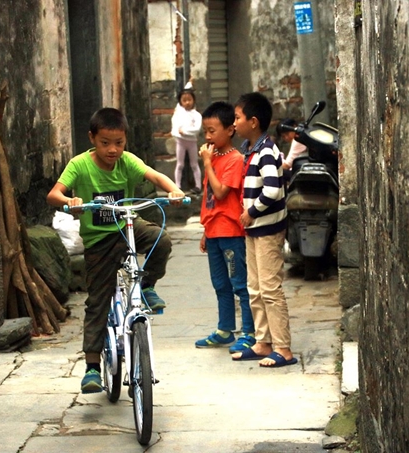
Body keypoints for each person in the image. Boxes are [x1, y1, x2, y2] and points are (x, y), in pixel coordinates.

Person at [47, 107, 185, 393]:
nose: (112, 150)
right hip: (98, 243)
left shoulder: (127, 162)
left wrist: (174, 191)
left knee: (161, 239)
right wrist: (68, 201)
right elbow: (54, 194)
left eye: (119, 143)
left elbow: (157, 176)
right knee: (97, 301)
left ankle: (147, 286)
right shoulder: (79, 164)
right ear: (92, 139)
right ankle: (92, 367)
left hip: (128, 229)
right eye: (105, 143)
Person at [230, 92, 298, 368]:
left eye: (237, 118)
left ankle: (283, 348)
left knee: (270, 288)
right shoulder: (251, 150)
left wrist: (251, 212)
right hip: (254, 230)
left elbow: (272, 190)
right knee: (254, 288)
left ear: (253, 122)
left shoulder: (266, 152)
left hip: (267, 229)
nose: (234, 123)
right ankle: (263, 342)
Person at [194, 101, 255, 353]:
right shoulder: (214, 156)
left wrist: (207, 163)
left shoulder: (234, 159)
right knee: (220, 284)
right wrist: (205, 230)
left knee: (239, 284)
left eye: (212, 130)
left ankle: (249, 333)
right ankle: (224, 329)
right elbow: (208, 199)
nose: (208, 136)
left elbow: (220, 193)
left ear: (230, 130)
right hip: (214, 231)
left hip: (231, 232)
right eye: (205, 131)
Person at [171, 87, 203, 195]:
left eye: (189, 99)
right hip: (180, 142)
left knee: (194, 164)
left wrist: (184, 131)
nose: (187, 102)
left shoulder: (197, 115)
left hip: (192, 142)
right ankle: (177, 186)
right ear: (180, 102)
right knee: (180, 164)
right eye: (184, 100)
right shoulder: (179, 112)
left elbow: (197, 129)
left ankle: (198, 186)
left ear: (193, 100)